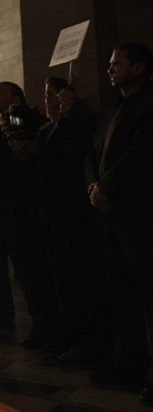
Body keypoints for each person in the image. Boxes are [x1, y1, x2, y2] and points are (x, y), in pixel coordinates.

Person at [86, 43, 153, 406]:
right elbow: (92, 152)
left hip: (138, 213)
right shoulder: (113, 107)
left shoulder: (149, 105)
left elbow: (140, 155)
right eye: (110, 63)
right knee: (120, 292)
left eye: (118, 63)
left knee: (147, 295)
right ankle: (130, 364)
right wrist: (93, 186)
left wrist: (106, 186)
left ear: (139, 68)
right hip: (107, 212)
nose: (110, 68)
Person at [0, 81, 60, 348]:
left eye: (0, 93)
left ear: (16, 97)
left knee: (34, 271)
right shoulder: (2, 124)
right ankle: (41, 324)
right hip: (7, 210)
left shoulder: (27, 120)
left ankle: (49, 327)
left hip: (25, 210)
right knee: (24, 273)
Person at [37, 77, 107, 366]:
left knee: (82, 279)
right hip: (53, 213)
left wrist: (68, 116)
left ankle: (91, 342)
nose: (48, 100)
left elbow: (77, 155)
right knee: (62, 279)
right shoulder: (48, 128)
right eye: (46, 95)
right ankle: (70, 333)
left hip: (75, 213)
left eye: (54, 94)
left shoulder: (83, 123)